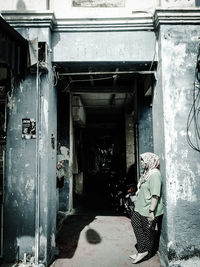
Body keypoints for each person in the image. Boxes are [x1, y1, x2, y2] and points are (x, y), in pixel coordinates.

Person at [129, 152, 164, 264]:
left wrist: (151, 211)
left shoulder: (155, 175)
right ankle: (142, 250)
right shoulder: (147, 173)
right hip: (140, 208)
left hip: (148, 209)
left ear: (149, 161)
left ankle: (144, 252)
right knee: (135, 223)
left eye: (143, 160)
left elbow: (155, 195)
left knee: (147, 232)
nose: (142, 163)